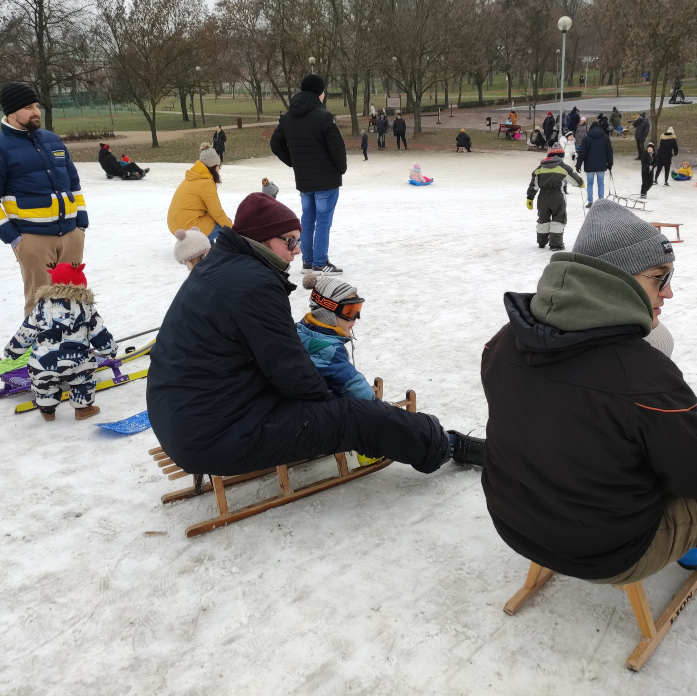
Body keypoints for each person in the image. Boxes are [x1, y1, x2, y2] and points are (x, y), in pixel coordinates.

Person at [482, 199, 697, 585]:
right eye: (660, 277)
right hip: (607, 552)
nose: (669, 293)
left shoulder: (504, 339)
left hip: (513, 521)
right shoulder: (643, 378)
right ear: (616, 279)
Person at [146, 192, 485, 480]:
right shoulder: (253, 284)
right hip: (214, 435)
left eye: (298, 239)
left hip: (186, 419)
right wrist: (336, 415)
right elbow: (289, 368)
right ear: (262, 240)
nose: (296, 250)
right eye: (289, 241)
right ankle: (445, 445)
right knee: (353, 414)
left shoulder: (222, 264)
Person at [0, 82, 87, 316]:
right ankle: (39, 348)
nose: (36, 111)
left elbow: (73, 184)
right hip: (33, 239)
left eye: (36, 105)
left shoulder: (52, 140)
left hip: (70, 233)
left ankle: (73, 343)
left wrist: (81, 224)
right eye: (28, 107)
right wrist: (15, 240)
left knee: (73, 298)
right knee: (40, 302)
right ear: (11, 111)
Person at [4, 261, 116, 422]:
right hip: (77, 361)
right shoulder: (86, 308)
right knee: (84, 379)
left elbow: (26, 331)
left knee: (43, 384)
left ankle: (47, 411)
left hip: (43, 361)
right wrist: (109, 350)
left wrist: (12, 351)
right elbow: (99, 333)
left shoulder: (41, 308)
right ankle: (83, 409)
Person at [297, 273, 379, 466]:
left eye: (358, 309)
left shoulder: (303, 329)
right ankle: (369, 450)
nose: (356, 318)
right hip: (320, 414)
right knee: (363, 410)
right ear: (327, 312)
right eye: (350, 311)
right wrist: (377, 406)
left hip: (306, 404)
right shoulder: (327, 349)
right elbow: (353, 385)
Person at [270, 74, 347, 275]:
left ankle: (308, 260)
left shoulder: (288, 117)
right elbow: (337, 148)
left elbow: (275, 143)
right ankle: (320, 262)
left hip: (305, 181)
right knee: (322, 221)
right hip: (326, 180)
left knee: (308, 219)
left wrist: (295, 163)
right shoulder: (323, 117)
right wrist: (340, 169)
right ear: (319, 93)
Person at [166, 142, 232, 241]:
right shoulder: (206, 183)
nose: (219, 169)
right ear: (213, 166)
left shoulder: (193, 177)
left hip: (175, 226)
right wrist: (234, 230)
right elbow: (217, 213)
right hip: (187, 228)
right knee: (225, 225)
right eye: (219, 166)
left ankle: (206, 244)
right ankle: (206, 247)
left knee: (213, 219)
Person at [526, 142, 584, 250]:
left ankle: (542, 241)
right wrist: (581, 183)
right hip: (557, 196)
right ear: (561, 156)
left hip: (542, 197)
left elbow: (534, 185)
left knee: (543, 218)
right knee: (558, 218)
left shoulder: (540, 168)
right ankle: (556, 244)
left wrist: (530, 198)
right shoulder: (563, 167)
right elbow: (575, 180)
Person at [575, 118, 613, 207]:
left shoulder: (587, 138)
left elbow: (582, 152)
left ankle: (590, 202)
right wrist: (610, 163)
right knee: (601, 183)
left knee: (590, 183)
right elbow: (609, 152)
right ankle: (601, 201)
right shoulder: (605, 137)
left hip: (589, 164)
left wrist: (578, 164)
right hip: (601, 164)